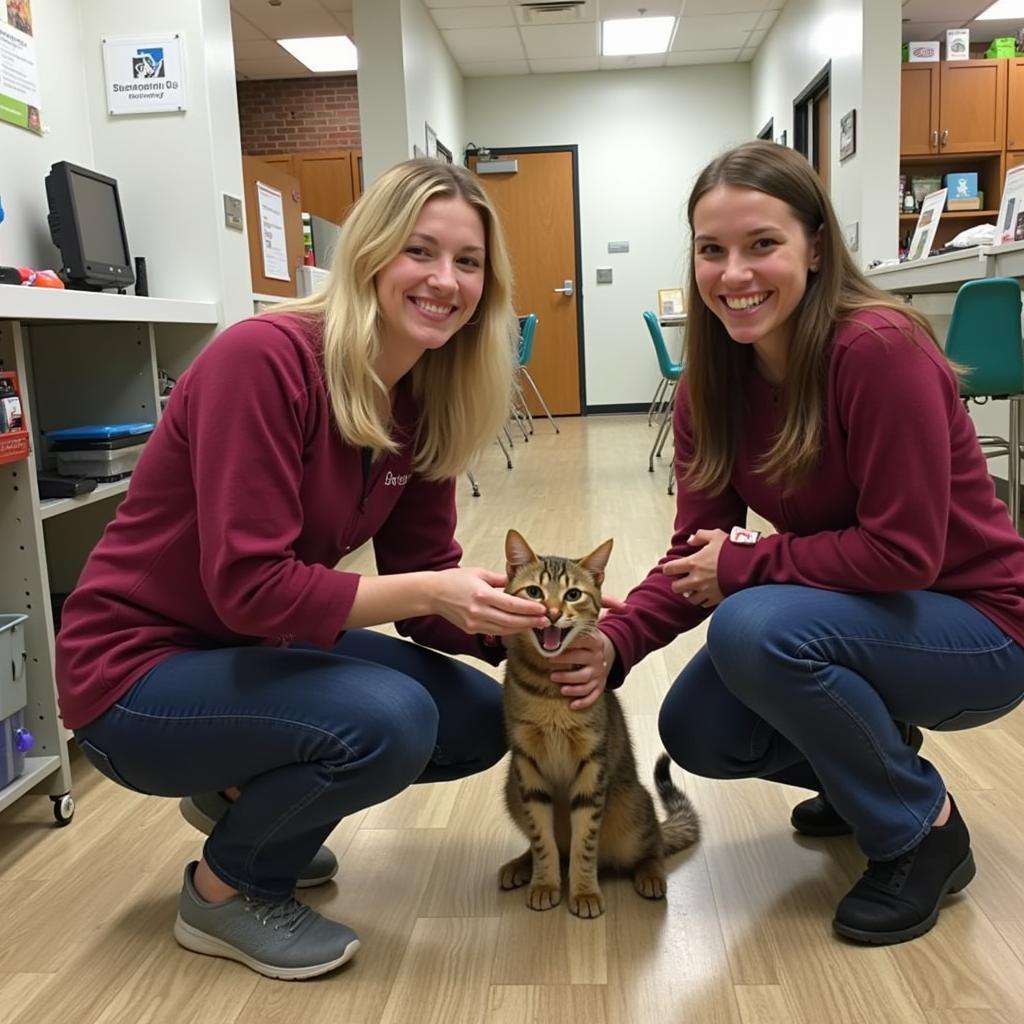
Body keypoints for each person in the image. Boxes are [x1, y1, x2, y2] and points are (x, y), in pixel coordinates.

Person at [55, 159, 551, 980]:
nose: (445, 280)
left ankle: (243, 801)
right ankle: (225, 892)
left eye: (468, 263)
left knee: (476, 716)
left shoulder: (424, 395)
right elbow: (252, 590)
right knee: (388, 718)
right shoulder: (263, 360)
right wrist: (431, 590)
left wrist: (533, 640)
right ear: (369, 257)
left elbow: (426, 585)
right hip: (133, 676)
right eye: (420, 252)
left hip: (245, 651)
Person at [552, 140, 1024, 945]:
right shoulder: (714, 380)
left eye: (762, 244)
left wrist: (745, 565)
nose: (734, 274)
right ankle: (876, 763)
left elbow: (906, 555)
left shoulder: (879, 349)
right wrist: (616, 643)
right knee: (699, 727)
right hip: (871, 620)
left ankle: (921, 830)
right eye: (712, 251)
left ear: (813, 244)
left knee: (753, 624)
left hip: (977, 628)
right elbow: (694, 550)